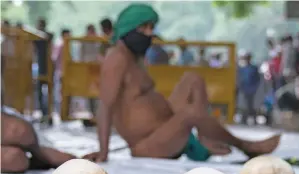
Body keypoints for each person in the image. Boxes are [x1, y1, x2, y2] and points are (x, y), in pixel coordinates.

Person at [84, 4, 280, 163]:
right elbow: (105, 105)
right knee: (189, 113)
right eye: (146, 28)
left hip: (165, 124)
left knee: (192, 78)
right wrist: (104, 151)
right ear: (130, 28)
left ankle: (206, 137)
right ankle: (246, 146)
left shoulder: (133, 56)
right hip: (147, 143)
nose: (151, 34)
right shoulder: (116, 57)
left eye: (153, 28)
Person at [34, 18, 54, 123]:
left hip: (47, 68)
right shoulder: (37, 38)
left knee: (48, 93)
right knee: (41, 93)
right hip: (41, 68)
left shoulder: (47, 36)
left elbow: (50, 36)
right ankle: (45, 113)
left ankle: (48, 114)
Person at [237, 50, 261, 125]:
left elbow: (257, 79)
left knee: (250, 104)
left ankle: (250, 119)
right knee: (244, 104)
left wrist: (255, 87)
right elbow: (240, 78)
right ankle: (245, 119)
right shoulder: (242, 68)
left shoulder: (254, 68)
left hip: (251, 89)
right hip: (244, 89)